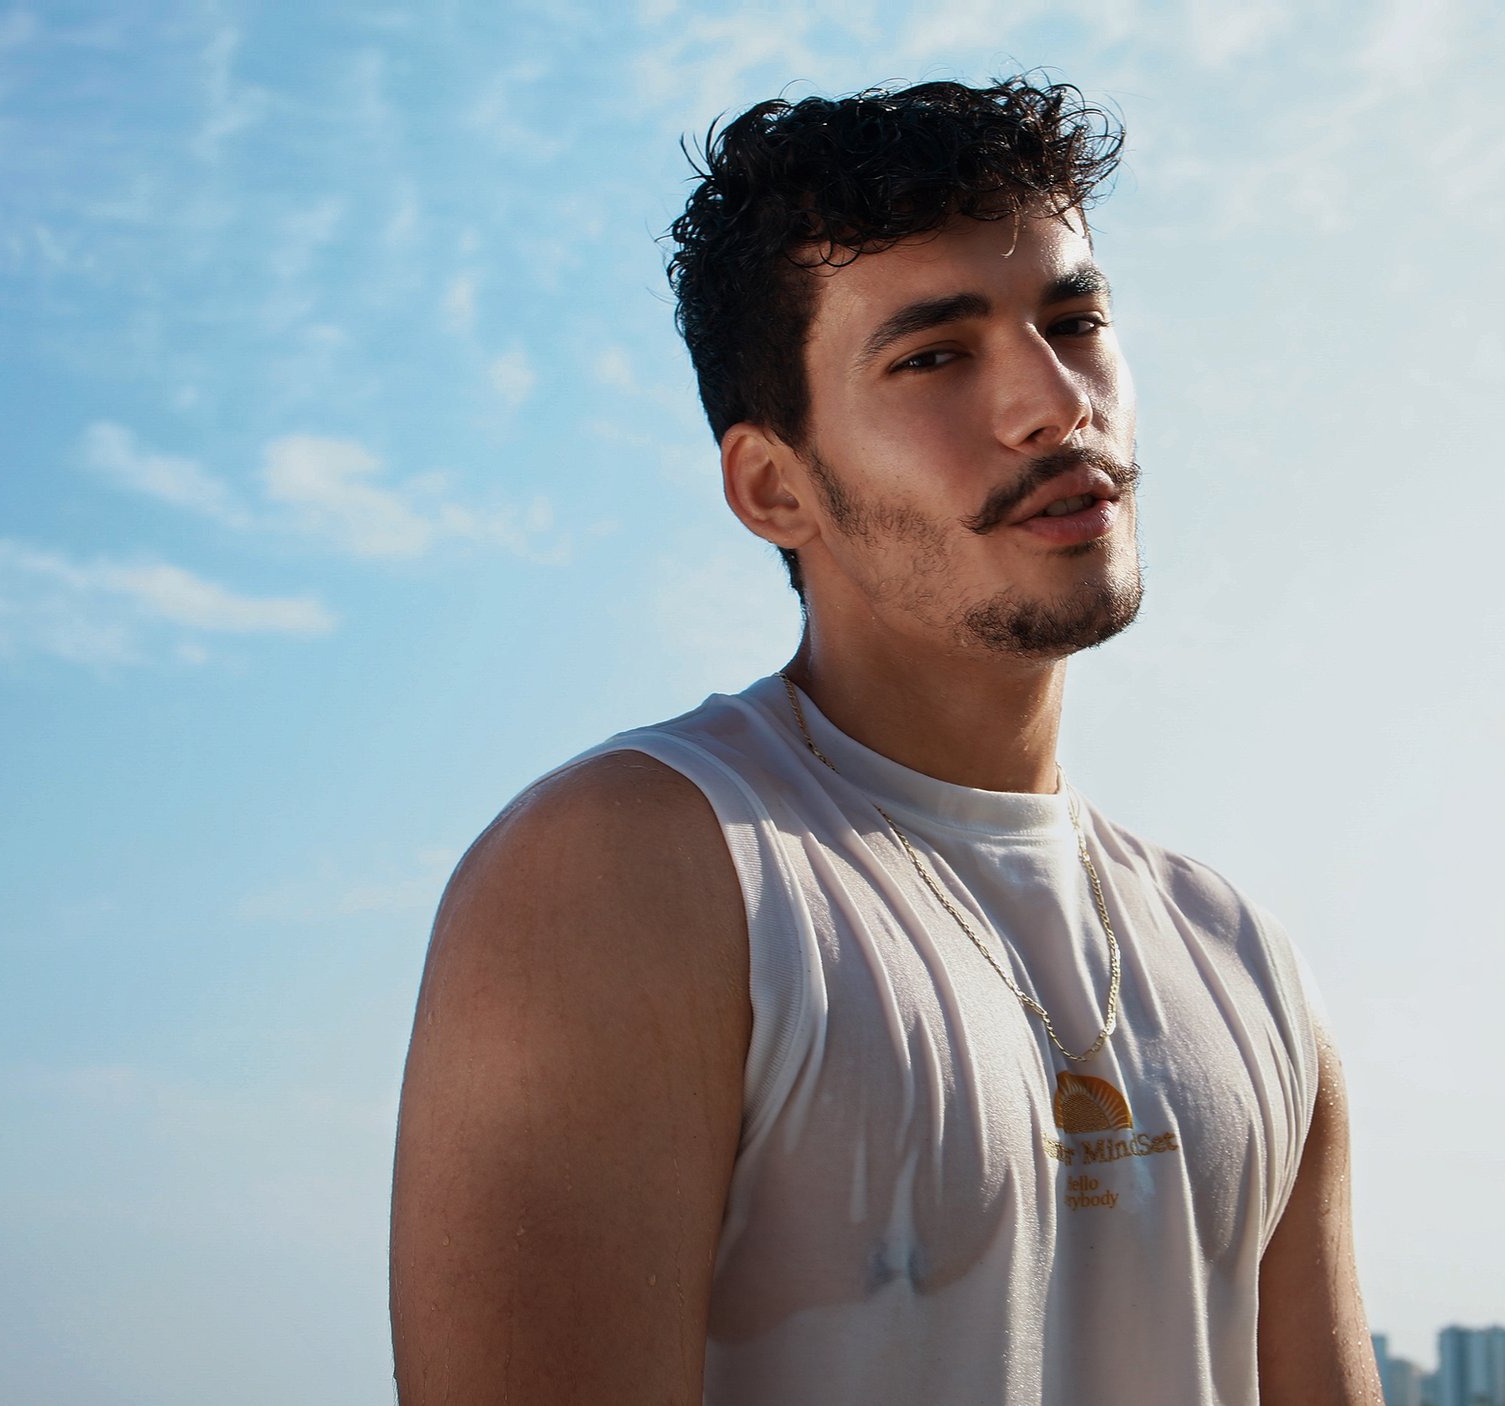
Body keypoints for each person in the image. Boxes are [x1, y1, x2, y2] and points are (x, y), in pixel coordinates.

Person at [389, 76, 1379, 1405]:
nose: (1052, 403)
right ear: (774, 487)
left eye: (1075, 323)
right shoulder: (636, 874)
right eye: (934, 356)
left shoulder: (1243, 958)